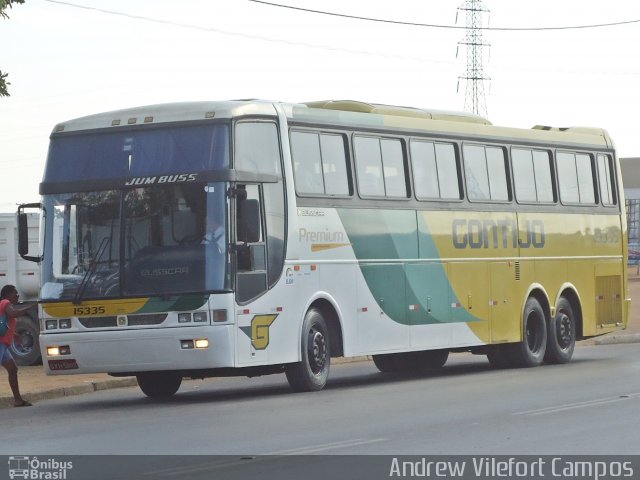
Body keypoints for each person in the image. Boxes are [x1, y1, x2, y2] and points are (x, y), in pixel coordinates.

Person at [0, 285, 34, 407]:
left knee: (13, 369)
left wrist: (14, 335)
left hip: (3, 345)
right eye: (15, 293)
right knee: (13, 370)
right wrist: (30, 307)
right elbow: (13, 314)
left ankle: (18, 400)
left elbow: (3, 325)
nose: (17, 295)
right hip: (1, 344)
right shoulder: (5, 302)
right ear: (7, 295)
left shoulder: (3, 305)